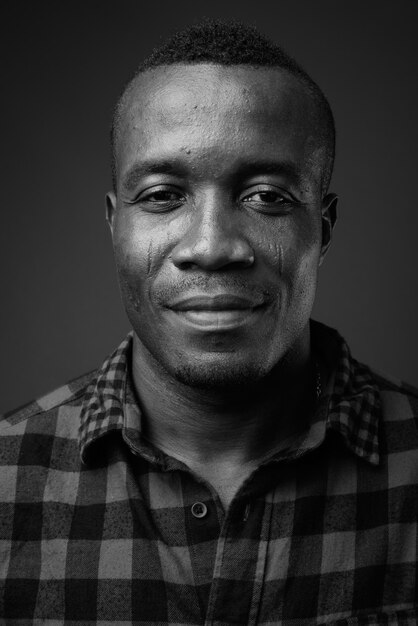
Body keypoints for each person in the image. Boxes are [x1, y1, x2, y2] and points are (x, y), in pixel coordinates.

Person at [1, 19, 417, 625]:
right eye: (164, 195)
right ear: (116, 227)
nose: (212, 245)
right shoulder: (9, 483)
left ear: (321, 230)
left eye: (268, 196)